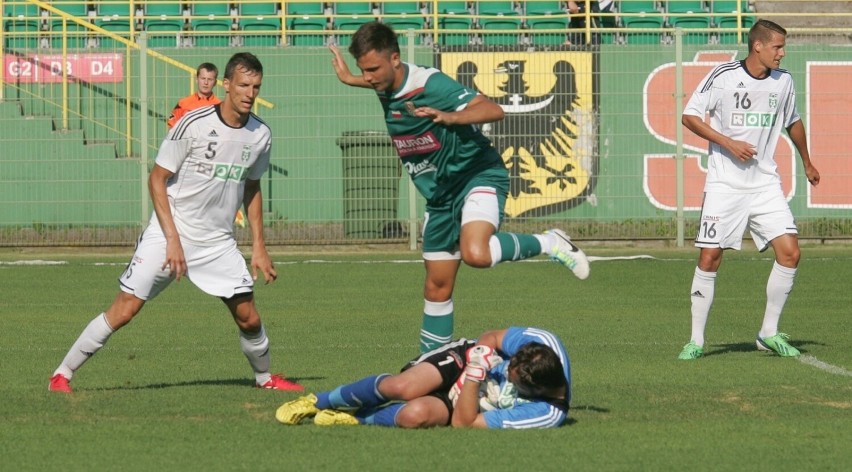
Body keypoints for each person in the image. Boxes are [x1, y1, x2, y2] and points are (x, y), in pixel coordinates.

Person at [48, 53, 303, 393]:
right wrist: (172, 240)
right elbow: (157, 179)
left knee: (249, 316)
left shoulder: (260, 135)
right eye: (243, 85)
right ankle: (61, 375)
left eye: (256, 86)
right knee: (125, 310)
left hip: (217, 242)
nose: (249, 93)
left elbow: (252, 187)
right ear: (226, 85)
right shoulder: (193, 124)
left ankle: (265, 378)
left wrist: (259, 245)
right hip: (170, 231)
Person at [329, 22, 590, 354]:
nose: (368, 77)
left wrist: (449, 117)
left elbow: (493, 110)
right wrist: (349, 79)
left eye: (372, 69)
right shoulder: (383, 82)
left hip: (476, 175)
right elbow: (381, 86)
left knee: (476, 253)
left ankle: (551, 242)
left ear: (395, 58)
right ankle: (431, 365)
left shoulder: (430, 84)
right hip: (440, 197)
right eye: (362, 71)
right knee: (437, 287)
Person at [678, 19, 820, 360]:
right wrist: (728, 143)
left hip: (765, 184)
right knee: (710, 257)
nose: (782, 54)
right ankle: (696, 340)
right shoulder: (723, 76)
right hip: (725, 184)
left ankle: (768, 332)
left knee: (790, 253)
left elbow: (793, 120)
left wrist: (807, 160)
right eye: (777, 47)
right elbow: (690, 116)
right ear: (758, 46)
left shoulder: (783, 81)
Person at [275, 326, 571, 429]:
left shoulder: (544, 413)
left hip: (469, 397)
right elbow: (492, 336)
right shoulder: (542, 344)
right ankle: (317, 400)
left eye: (513, 377)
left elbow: (463, 423)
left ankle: (357, 419)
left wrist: (475, 377)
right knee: (402, 387)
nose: (506, 371)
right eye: (510, 365)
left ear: (533, 388)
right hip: (465, 360)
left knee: (415, 415)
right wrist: (481, 354)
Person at [166, 62, 221, 129]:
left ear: (215, 82)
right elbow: (172, 128)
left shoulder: (220, 106)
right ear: (197, 80)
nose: (206, 83)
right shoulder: (183, 104)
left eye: (210, 79)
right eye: (203, 78)